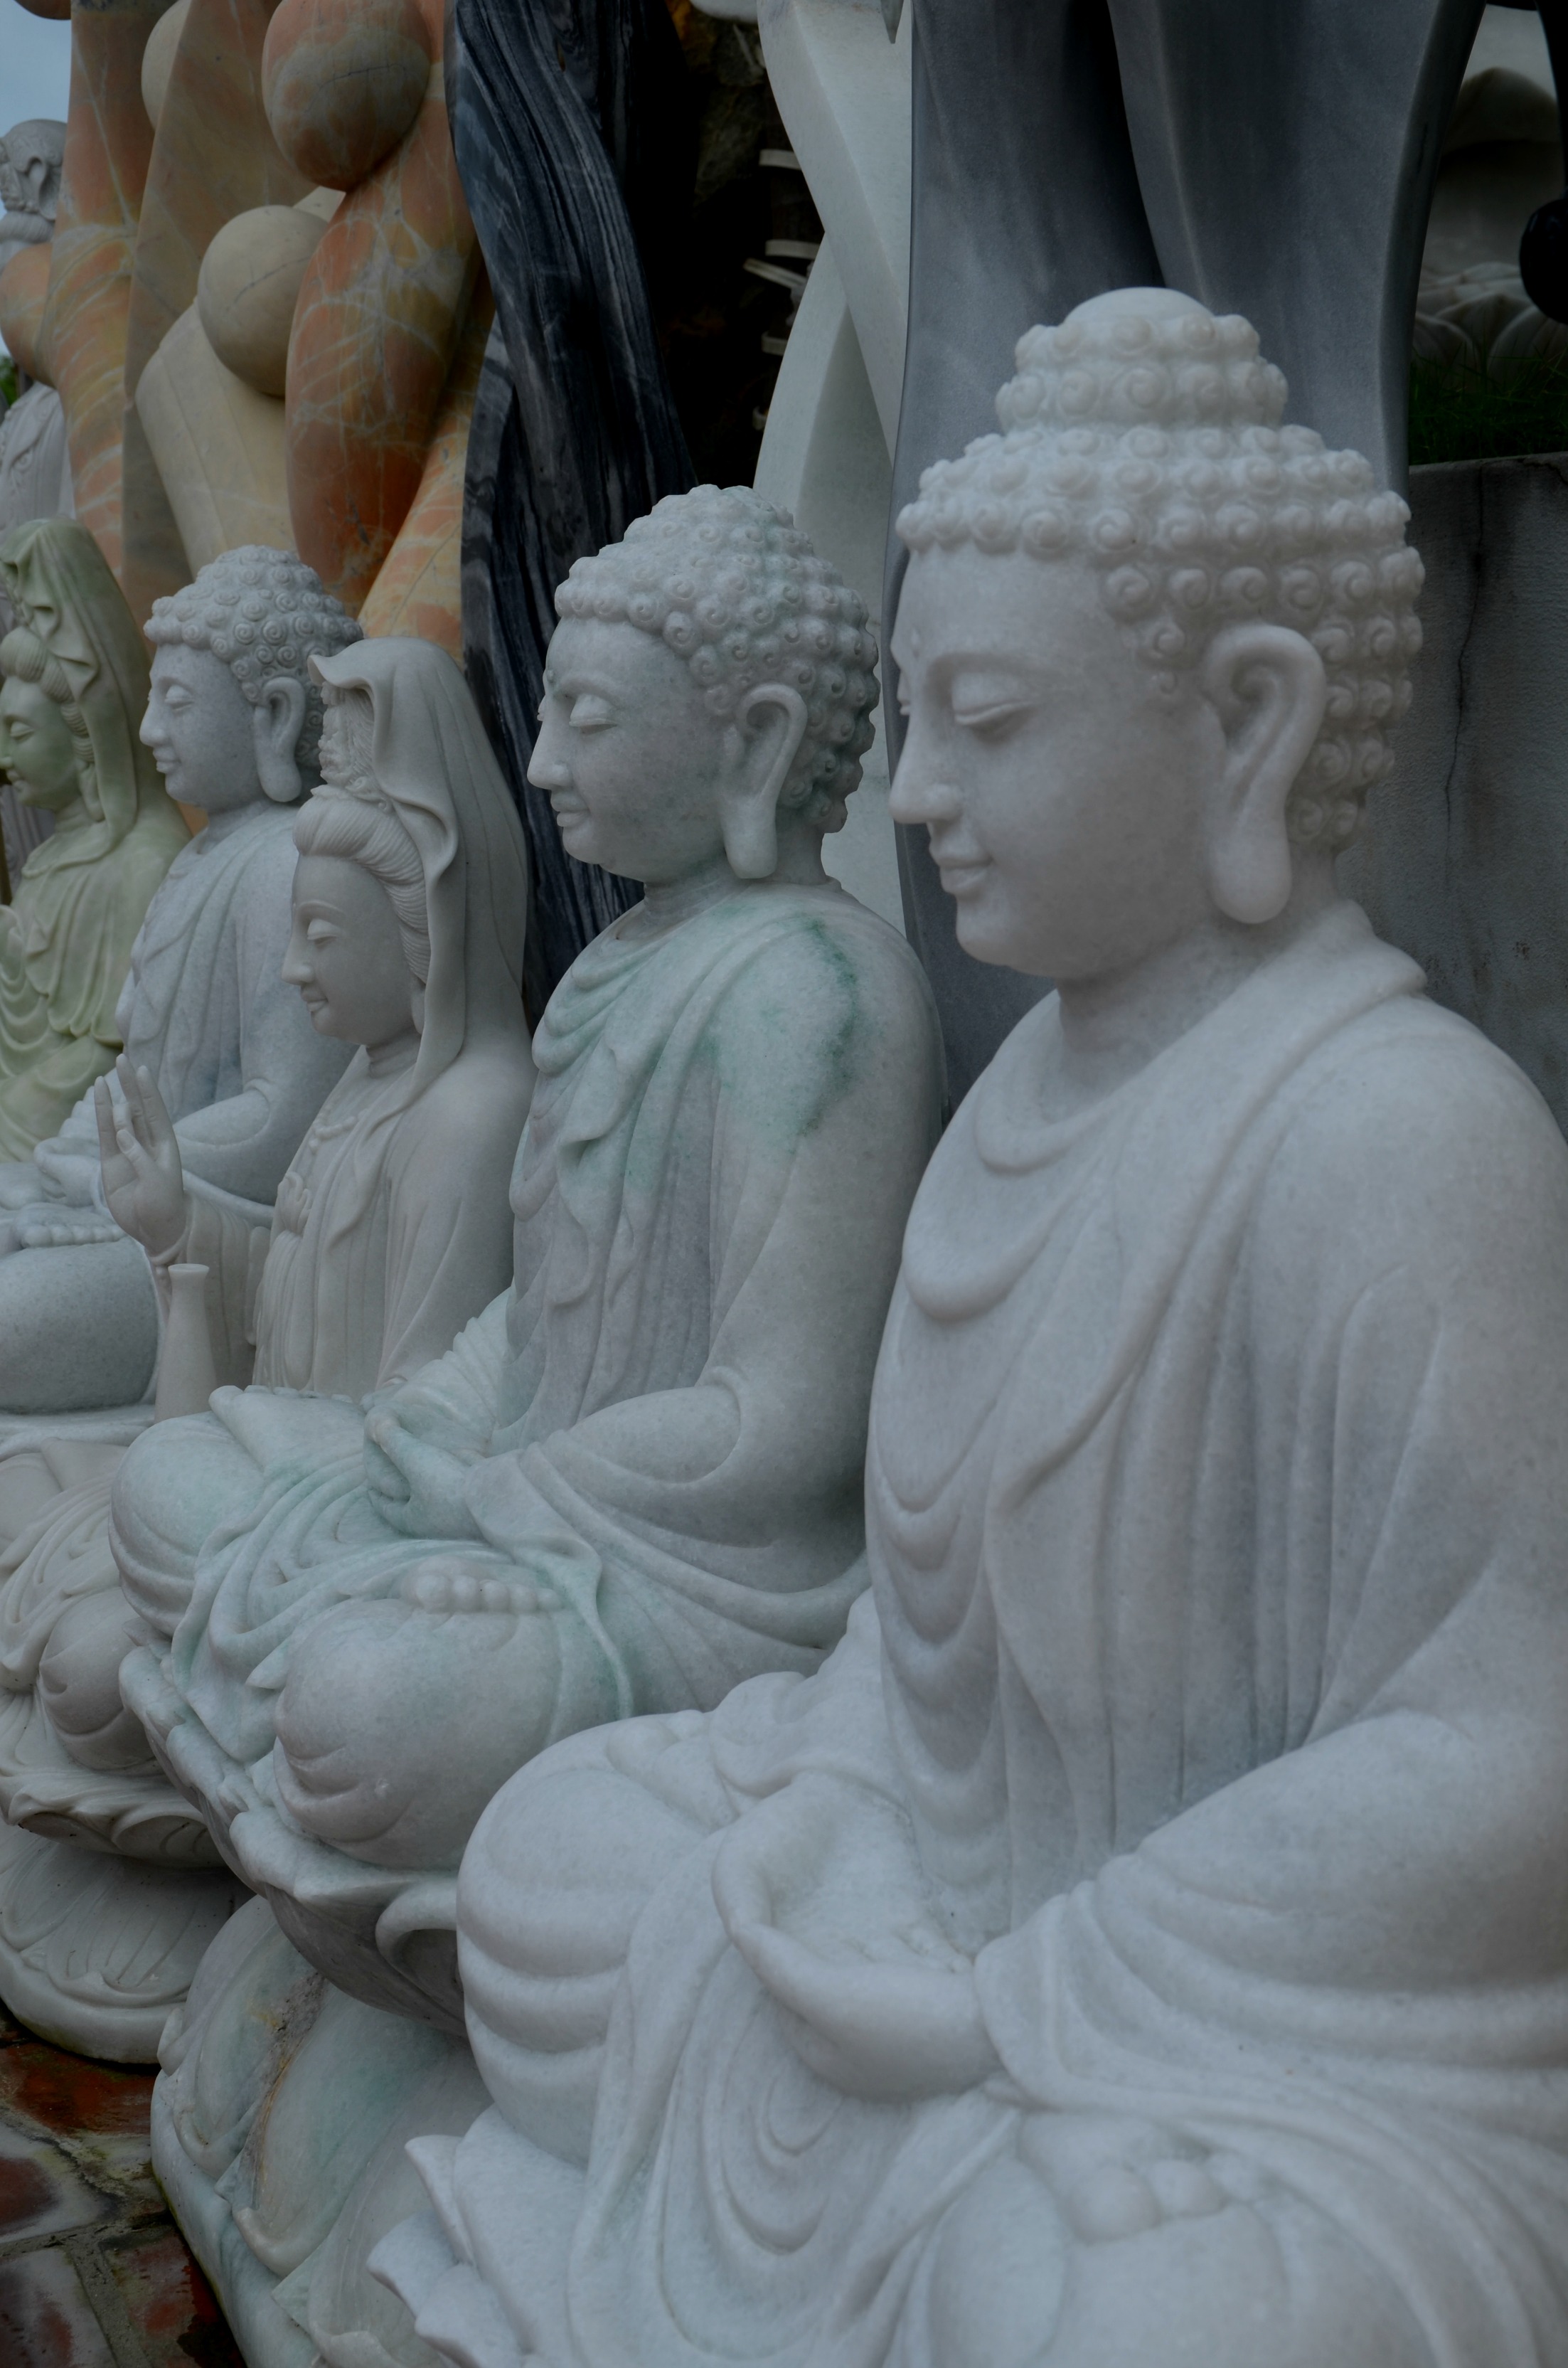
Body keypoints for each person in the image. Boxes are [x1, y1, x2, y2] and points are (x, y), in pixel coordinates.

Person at [376, 292, 1568, 2368]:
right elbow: (913, 1635)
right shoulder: (1019, 1093)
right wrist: (842, 1807)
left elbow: (1509, 1755)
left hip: (1255, 2024)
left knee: (1150, 2316)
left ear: (1251, 724)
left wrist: (1038, 1985)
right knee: (551, 1867)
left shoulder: (1403, 1135)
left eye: (990, 722)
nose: (917, 793)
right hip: (944, 1904)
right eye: (915, 719)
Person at [110, 487, 944, 2019]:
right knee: (170, 1481)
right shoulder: (619, 961)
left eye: (587, 720)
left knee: (364, 1714)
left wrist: (497, 1496)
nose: (544, 761)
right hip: (516, 1491)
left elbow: (783, 1425)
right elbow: (534, 1310)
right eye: (546, 716)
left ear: (756, 744)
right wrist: (420, 1422)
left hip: (694, 1575)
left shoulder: (821, 993)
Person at [0, 635, 533, 2059]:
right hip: (251, 1485)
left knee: (91, 1667)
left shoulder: (472, 1112)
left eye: (322, 939)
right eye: (293, 932)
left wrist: (220, 1454)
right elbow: (252, 1351)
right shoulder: (364, 1084)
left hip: (331, 1520)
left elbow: (418, 1429)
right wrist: (174, 1233)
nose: (294, 968)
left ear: (421, 932)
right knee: (36, 1511)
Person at [0, 543, 358, 1416]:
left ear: (274, 714)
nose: (149, 730)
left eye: (178, 703)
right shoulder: (201, 859)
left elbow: (281, 1119)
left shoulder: (287, 865)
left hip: (215, 1240)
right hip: (137, 1192)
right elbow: (135, 1073)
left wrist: (111, 1178)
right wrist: (67, 1160)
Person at [0, 519, 187, 1159]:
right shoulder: (49, 858)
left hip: (77, 1144)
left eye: (19, 733)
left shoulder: (145, 861)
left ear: (85, 731)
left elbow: (114, 1054)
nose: (3, 758)